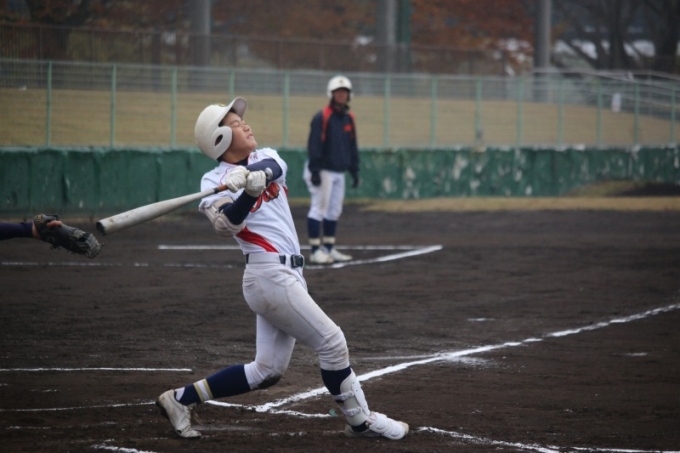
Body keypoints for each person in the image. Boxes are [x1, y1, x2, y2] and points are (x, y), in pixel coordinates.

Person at [155, 97, 408, 441]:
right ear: (219, 140)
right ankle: (360, 421)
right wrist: (245, 195)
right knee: (333, 343)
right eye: (235, 124)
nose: (245, 125)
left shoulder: (265, 156)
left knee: (267, 370)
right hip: (267, 276)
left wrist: (252, 178)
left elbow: (274, 167)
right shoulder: (212, 182)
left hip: (289, 276)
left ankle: (181, 398)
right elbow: (225, 225)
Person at [303, 75, 360, 264]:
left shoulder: (349, 118)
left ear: (349, 95)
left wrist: (354, 170)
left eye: (344, 92)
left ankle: (328, 248)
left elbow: (352, 145)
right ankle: (315, 251)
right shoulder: (322, 117)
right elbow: (314, 144)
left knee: (334, 210)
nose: (341, 95)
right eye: (338, 92)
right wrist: (315, 170)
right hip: (323, 170)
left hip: (339, 171)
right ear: (331, 94)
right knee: (318, 208)